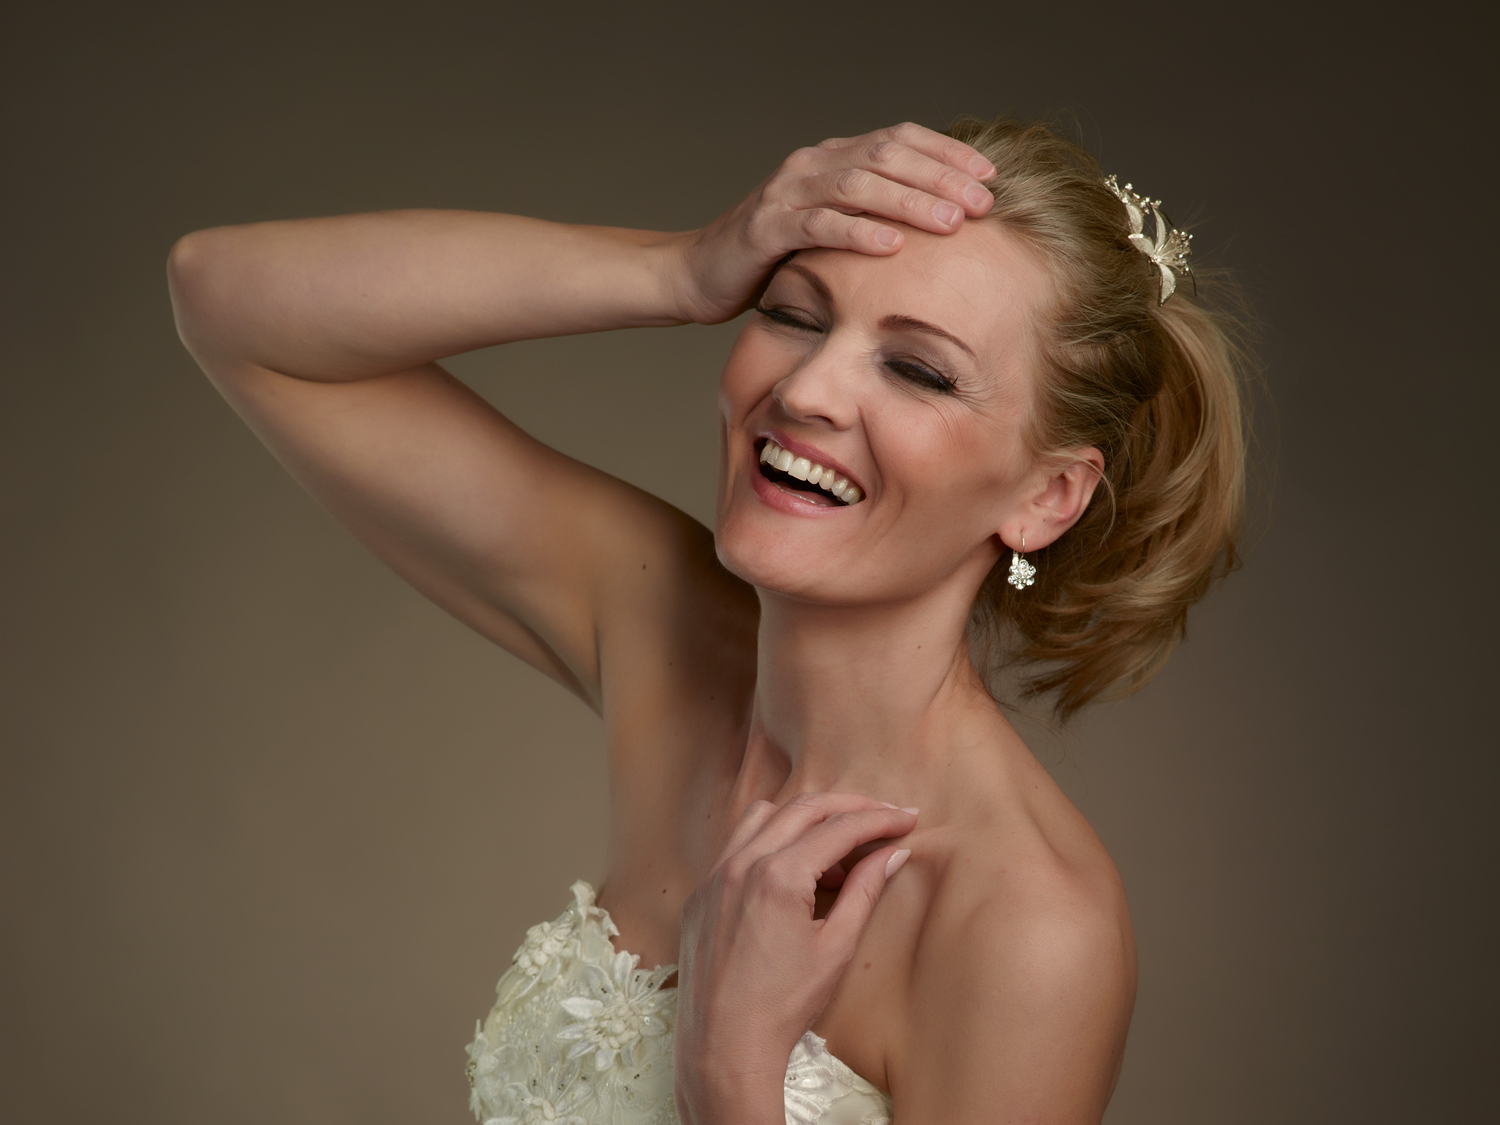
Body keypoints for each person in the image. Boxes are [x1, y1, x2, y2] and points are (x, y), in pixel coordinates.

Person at [168, 116, 1246, 1124]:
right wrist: (678, 269)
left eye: (918, 370)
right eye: (794, 314)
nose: (808, 390)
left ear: (1047, 496)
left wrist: (730, 1072)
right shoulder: (663, 626)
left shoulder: (1027, 925)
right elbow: (224, 297)